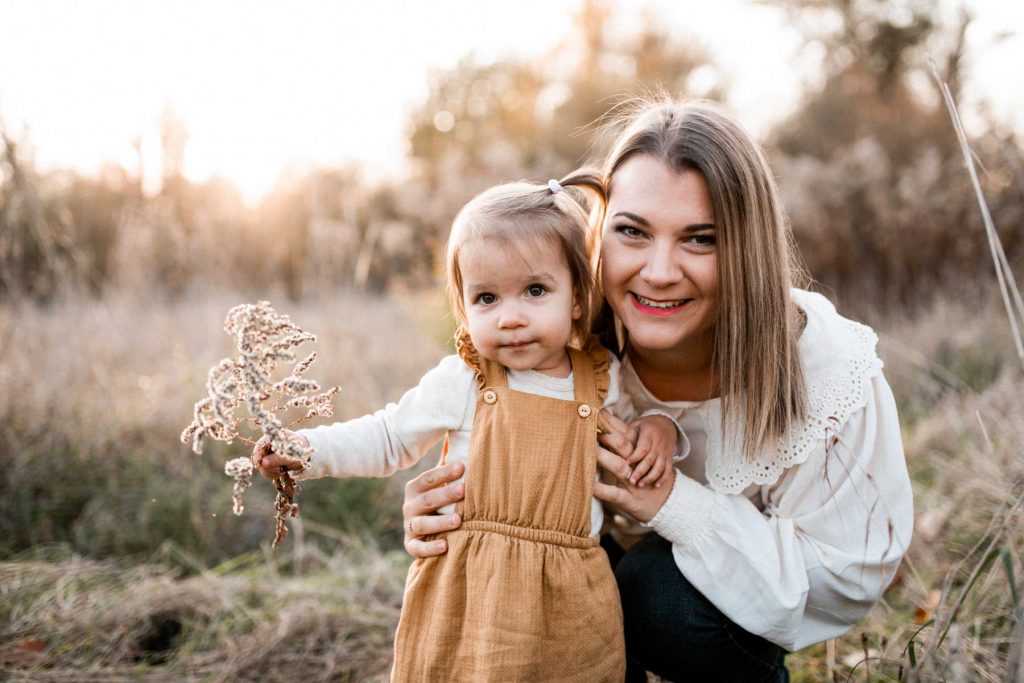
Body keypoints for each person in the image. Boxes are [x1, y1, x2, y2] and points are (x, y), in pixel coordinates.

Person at [401, 99, 915, 682]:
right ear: (598, 232)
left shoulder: (824, 369)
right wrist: (455, 510)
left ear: (747, 249)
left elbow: (847, 575)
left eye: (701, 239)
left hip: (712, 607)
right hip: (577, 565)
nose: (660, 272)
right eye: (632, 232)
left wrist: (676, 505)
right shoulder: (553, 333)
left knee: (655, 593)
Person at [252, 177, 681, 681]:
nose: (510, 318)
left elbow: (636, 427)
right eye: (486, 298)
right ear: (463, 308)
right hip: (471, 589)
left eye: (535, 291)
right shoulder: (466, 380)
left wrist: (660, 427)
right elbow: (389, 438)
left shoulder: (600, 380)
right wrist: (307, 449)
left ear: (578, 299)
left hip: (571, 597)